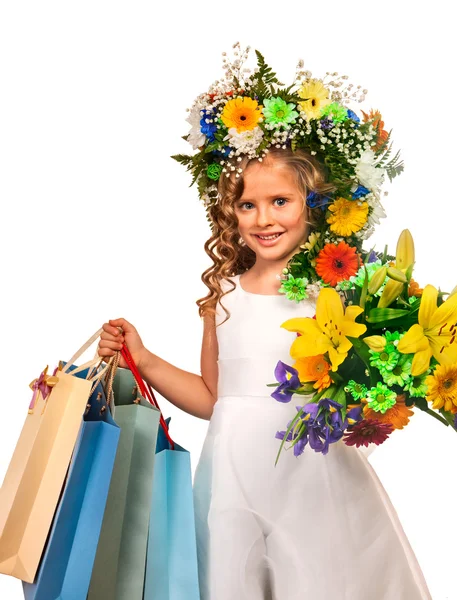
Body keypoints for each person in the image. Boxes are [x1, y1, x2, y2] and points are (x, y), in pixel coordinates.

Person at [98, 47, 432, 599]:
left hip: (314, 475)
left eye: (280, 201)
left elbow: (369, 381)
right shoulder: (222, 294)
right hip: (234, 476)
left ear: (313, 202)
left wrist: (382, 395)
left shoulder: (336, 290)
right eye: (248, 205)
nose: (264, 219)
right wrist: (147, 358)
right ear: (229, 212)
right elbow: (213, 398)